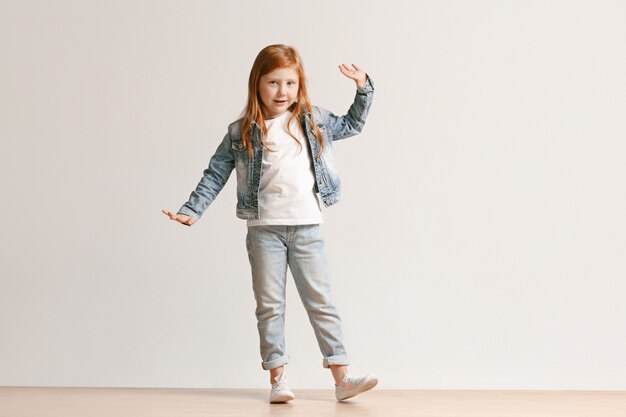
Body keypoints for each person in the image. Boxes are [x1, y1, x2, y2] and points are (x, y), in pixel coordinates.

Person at [162, 44, 377, 403]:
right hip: (264, 231)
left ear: (300, 86)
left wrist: (363, 86)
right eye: (274, 83)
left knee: (320, 301)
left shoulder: (314, 120)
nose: (283, 92)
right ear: (257, 85)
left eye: (290, 83)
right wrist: (192, 209)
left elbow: (353, 123)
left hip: (307, 227)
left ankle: (342, 380)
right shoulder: (241, 131)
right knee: (270, 305)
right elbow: (215, 173)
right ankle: (278, 378)